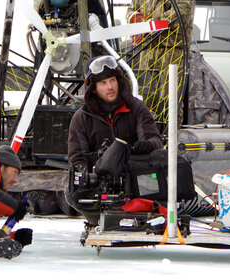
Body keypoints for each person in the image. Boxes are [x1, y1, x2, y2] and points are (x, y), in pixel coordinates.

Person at [66, 55, 164, 225]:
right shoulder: (81, 118)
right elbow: (77, 158)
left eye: (112, 80)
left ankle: (144, 214)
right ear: (94, 88)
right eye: (103, 83)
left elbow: (155, 140)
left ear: (119, 81)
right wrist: (91, 175)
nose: (110, 87)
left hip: (135, 179)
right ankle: (101, 219)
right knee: (73, 191)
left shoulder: (137, 108)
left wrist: (147, 145)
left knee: (160, 182)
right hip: (99, 182)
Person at [125, 0, 195, 124]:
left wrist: (148, 23)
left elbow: (180, 14)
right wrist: (134, 18)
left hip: (173, 50)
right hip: (147, 50)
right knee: (145, 98)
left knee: (170, 98)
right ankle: (147, 136)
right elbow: (131, 8)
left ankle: (171, 138)